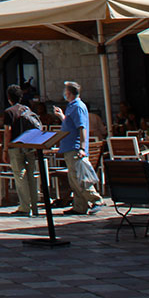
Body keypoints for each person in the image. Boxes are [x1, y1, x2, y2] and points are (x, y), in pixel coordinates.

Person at [51, 80, 101, 215]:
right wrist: (62, 116)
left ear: (69, 93)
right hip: (69, 147)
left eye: (65, 91)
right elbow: (70, 124)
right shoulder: (71, 106)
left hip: (75, 147)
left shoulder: (78, 106)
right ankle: (79, 206)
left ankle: (95, 199)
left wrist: (82, 148)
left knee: (79, 177)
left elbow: (81, 127)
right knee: (73, 179)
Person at [1, 84, 43, 217]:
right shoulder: (27, 109)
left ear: (9, 98)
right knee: (31, 175)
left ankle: (25, 206)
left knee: (20, 176)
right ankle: (34, 205)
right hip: (29, 145)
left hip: (16, 147)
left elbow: (7, 132)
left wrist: (5, 150)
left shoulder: (9, 112)